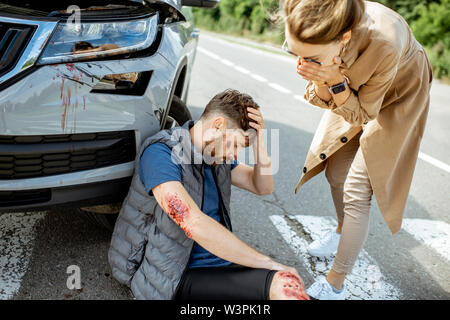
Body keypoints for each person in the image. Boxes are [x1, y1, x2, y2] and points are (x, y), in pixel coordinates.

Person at [280, 0, 432, 299]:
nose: (302, 62)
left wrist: (335, 80)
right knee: (335, 171)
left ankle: (335, 283)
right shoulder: (315, 21)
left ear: (344, 38)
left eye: (310, 57)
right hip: (351, 85)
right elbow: (320, 97)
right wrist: (322, 78)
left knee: (357, 188)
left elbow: (362, 114)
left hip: (400, 90)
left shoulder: (384, 43)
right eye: (295, 52)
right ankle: (340, 232)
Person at [108, 89, 310, 300]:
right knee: (283, 286)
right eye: (238, 145)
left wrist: (258, 142)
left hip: (218, 264)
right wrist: (270, 264)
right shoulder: (162, 154)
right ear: (218, 125)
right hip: (171, 277)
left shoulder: (216, 156)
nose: (235, 155)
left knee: (289, 288)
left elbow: (261, 186)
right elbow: (191, 221)